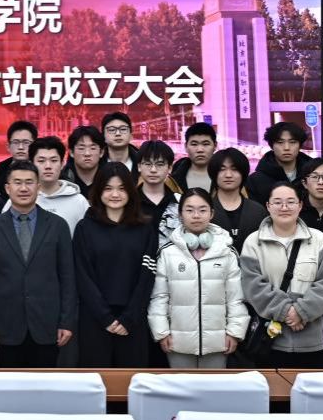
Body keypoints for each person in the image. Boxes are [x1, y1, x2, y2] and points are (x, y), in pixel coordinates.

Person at [0, 161, 77, 367]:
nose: (23, 188)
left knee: (45, 383)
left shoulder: (57, 225)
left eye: (29, 182)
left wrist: (66, 322)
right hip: (6, 326)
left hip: (48, 325)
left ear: (38, 186)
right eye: (17, 182)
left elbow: (68, 277)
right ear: (7, 188)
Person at [239, 183, 323, 367]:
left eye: (291, 202)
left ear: (300, 205)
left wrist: (301, 312)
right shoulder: (253, 242)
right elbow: (252, 285)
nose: (284, 207)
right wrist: (286, 311)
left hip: (314, 338)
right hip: (270, 340)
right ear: (268, 206)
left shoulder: (319, 240)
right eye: (277, 202)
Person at [148, 188, 248, 368]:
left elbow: (236, 298)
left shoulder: (227, 251)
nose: (196, 215)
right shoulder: (167, 253)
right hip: (177, 343)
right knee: (180, 385)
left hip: (218, 342)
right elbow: (159, 297)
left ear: (212, 214)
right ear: (180, 215)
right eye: (189, 210)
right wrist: (161, 332)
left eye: (202, 210)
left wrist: (234, 332)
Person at [73, 164, 157, 367]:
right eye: (108, 188)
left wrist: (129, 318)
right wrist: (105, 318)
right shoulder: (85, 228)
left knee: (132, 381)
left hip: (133, 321)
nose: (115, 194)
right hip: (95, 320)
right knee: (96, 380)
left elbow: (147, 277)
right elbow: (83, 276)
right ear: (98, 191)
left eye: (121, 188)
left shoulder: (144, 228)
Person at [6, 136, 88, 234]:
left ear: (62, 163)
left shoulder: (79, 202)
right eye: (41, 161)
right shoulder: (18, 199)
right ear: (31, 164)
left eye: (54, 161)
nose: (48, 166)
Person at [210, 148, 266, 253]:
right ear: (214, 174)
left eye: (234, 169)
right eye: (222, 169)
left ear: (243, 173)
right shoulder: (205, 210)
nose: (228, 175)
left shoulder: (258, 211)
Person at [245, 122, 313, 205]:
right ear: (271, 146)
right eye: (280, 142)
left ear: (300, 145)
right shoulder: (255, 180)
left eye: (292, 142)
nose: (286, 148)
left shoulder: (313, 174)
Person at [135, 140, 181, 241]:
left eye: (160, 164)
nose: (153, 170)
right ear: (139, 166)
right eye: (148, 164)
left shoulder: (180, 203)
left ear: (170, 168)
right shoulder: (129, 201)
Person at [0, 120, 38, 199]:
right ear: (8, 146)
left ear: (35, 145)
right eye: (16, 142)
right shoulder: (1, 169)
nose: (20, 147)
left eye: (26, 142)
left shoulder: (41, 168)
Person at [170, 122, 217, 192]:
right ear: (186, 146)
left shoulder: (226, 176)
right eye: (194, 144)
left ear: (215, 146)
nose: (200, 150)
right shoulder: (172, 181)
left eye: (206, 144)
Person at [61, 126, 104, 193]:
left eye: (92, 148)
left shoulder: (110, 178)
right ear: (71, 152)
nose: (87, 153)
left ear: (101, 152)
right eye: (81, 148)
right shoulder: (61, 181)